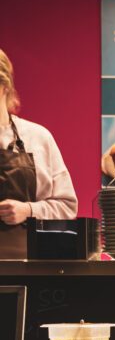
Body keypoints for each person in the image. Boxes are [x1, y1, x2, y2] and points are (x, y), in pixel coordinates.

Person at [0, 49, 77, 258]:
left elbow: (67, 207)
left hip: (28, 266)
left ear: (4, 86)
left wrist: (28, 210)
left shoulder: (38, 137)